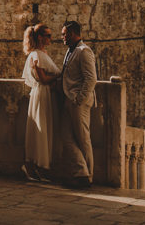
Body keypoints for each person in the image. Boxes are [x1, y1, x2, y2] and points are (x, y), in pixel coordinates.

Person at [58, 20, 97, 188]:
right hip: (69, 100)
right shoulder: (70, 51)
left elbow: (91, 78)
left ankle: (88, 177)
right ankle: (81, 173)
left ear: (73, 34)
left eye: (64, 34)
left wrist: (79, 99)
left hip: (78, 102)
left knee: (83, 139)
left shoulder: (84, 51)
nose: (62, 37)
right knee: (66, 137)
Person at [21, 23, 59, 181]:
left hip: (45, 95)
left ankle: (37, 168)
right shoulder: (36, 55)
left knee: (44, 130)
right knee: (40, 130)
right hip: (42, 94)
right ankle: (34, 167)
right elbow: (43, 79)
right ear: (40, 37)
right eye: (48, 35)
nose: (51, 38)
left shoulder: (41, 54)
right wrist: (58, 76)